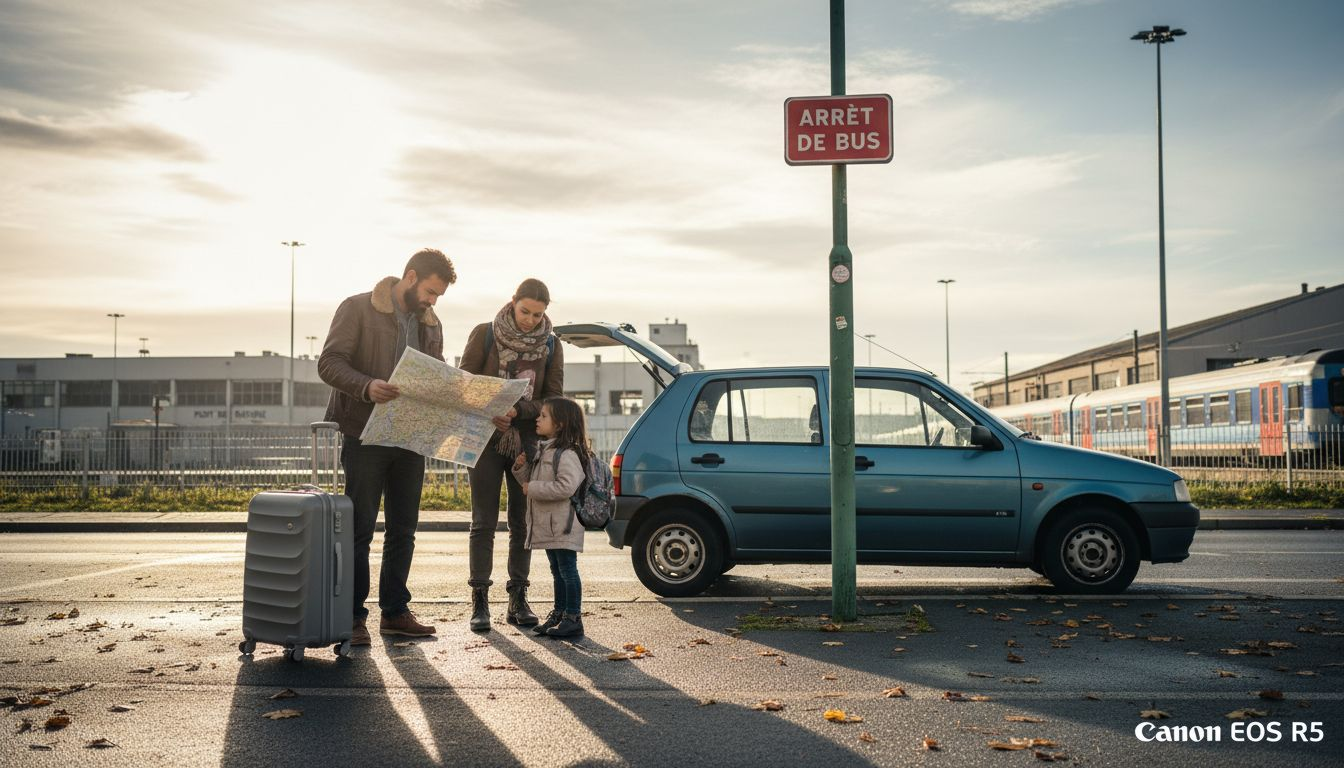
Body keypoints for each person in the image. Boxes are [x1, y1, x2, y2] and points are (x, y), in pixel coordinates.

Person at [317, 248, 456, 645]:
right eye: (430, 291)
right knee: (360, 529)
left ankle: (394, 612)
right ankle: (352, 617)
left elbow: (435, 375)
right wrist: (366, 386)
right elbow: (328, 362)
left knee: (403, 530)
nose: (433, 301)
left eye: (438, 296)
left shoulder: (431, 323)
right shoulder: (358, 308)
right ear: (410, 277)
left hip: (411, 437)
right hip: (365, 432)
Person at [459, 278, 564, 631]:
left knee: (522, 523)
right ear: (513, 302)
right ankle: (480, 601)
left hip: (526, 443)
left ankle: (518, 599)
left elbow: (553, 400)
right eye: (525, 311)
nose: (530, 320)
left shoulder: (551, 344)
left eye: (538, 314)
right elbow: (464, 386)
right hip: (485, 438)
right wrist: (491, 408)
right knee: (483, 522)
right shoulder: (484, 334)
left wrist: (520, 411)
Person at [512, 396, 589, 638]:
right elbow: (531, 483)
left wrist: (531, 488)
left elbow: (565, 487)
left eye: (544, 416)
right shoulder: (545, 450)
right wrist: (521, 468)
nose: (538, 418)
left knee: (567, 570)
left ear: (560, 424)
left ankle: (573, 616)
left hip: (563, 525)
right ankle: (559, 613)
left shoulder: (567, 454)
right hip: (549, 525)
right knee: (557, 570)